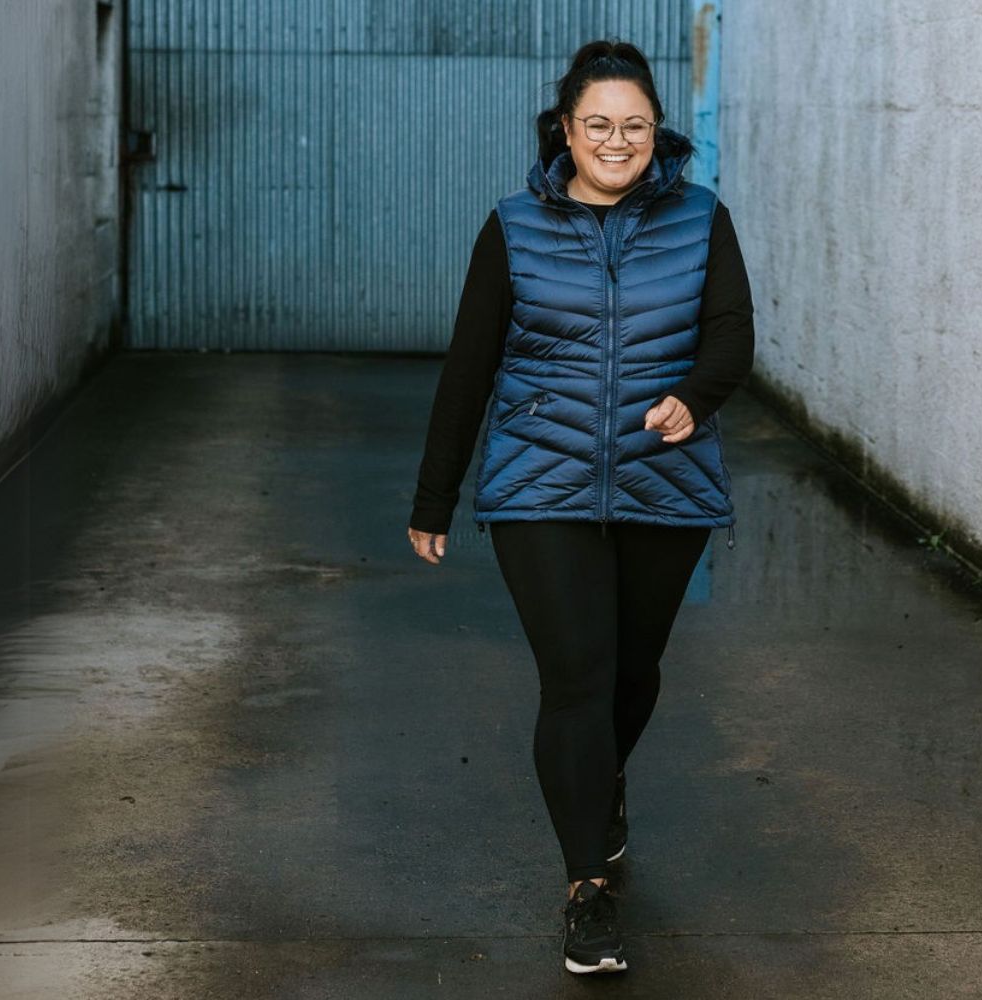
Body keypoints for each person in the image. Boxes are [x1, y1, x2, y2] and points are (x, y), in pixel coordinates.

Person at [405, 37, 755, 975]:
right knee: (578, 679)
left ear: (657, 132)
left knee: (632, 676)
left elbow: (732, 332)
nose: (616, 140)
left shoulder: (700, 219)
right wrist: (436, 494)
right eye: (597, 123)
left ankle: (602, 787)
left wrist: (698, 393)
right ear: (565, 129)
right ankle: (586, 889)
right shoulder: (513, 228)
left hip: (663, 476)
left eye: (634, 125)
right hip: (538, 481)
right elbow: (470, 365)